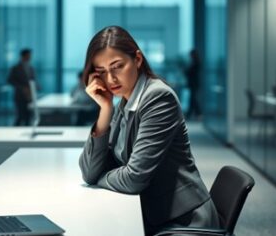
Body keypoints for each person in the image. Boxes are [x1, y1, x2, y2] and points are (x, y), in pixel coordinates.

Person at [79, 26, 219, 236]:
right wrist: (105, 109)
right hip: (153, 215)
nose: (110, 79)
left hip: (184, 222)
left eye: (117, 66)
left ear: (137, 59)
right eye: (101, 72)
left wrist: (101, 178)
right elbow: (90, 172)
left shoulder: (158, 98)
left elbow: (133, 178)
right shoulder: (123, 102)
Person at [7, 48, 36, 126]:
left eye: (30, 56)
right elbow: (10, 80)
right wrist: (21, 88)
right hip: (20, 96)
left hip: (29, 96)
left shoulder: (31, 68)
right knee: (20, 116)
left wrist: (35, 86)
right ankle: (13, 134)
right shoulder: (15, 68)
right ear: (23, 56)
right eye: (28, 56)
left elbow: (33, 80)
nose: (29, 57)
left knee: (28, 117)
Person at [184, 49, 202, 120]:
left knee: (193, 99)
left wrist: (186, 71)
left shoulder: (196, 63)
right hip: (193, 84)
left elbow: (189, 73)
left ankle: (198, 113)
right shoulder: (194, 63)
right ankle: (194, 114)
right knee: (192, 99)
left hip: (194, 84)